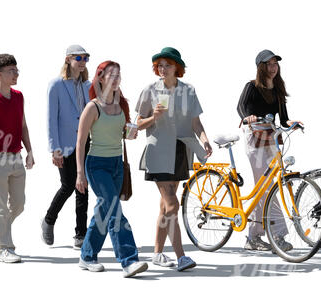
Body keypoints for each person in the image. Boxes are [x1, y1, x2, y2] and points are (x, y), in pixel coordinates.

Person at [136, 47, 211, 272]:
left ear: (177, 68)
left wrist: (205, 140)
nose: (162, 69)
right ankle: (181, 257)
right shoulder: (149, 90)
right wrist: (153, 117)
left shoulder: (189, 90)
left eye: (167, 65)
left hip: (180, 151)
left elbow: (195, 122)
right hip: (158, 152)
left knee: (165, 208)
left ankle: (158, 253)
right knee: (172, 204)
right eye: (159, 65)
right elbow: (137, 123)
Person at [75, 60, 147, 278]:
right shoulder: (92, 107)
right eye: (111, 75)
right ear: (101, 78)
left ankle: (87, 256)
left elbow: (122, 134)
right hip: (96, 165)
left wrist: (130, 135)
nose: (116, 79)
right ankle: (129, 260)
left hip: (117, 164)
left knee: (103, 212)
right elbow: (80, 142)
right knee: (115, 211)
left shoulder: (121, 105)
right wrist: (80, 173)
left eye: (118, 75)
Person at [236, 49, 302, 251]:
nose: (273, 68)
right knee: (266, 187)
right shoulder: (252, 87)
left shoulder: (278, 89)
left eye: (275, 64)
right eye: (269, 64)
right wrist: (249, 117)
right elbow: (240, 107)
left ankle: (253, 237)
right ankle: (278, 235)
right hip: (255, 139)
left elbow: (282, 118)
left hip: (272, 139)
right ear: (261, 67)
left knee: (264, 188)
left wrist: (291, 122)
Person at [0, 53, 35, 263]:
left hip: (16, 156)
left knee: (19, 204)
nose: (16, 74)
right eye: (11, 71)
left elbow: (23, 126)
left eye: (16, 70)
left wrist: (29, 151)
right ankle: (5, 248)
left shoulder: (19, 96)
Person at [43, 45, 92, 248]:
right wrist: (55, 148)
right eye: (78, 58)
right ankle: (48, 220)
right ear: (68, 59)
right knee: (68, 185)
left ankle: (80, 235)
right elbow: (51, 119)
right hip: (65, 144)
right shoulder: (56, 85)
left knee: (83, 188)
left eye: (86, 58)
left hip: (87, 143)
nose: (82, 62)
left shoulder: (88, 85)